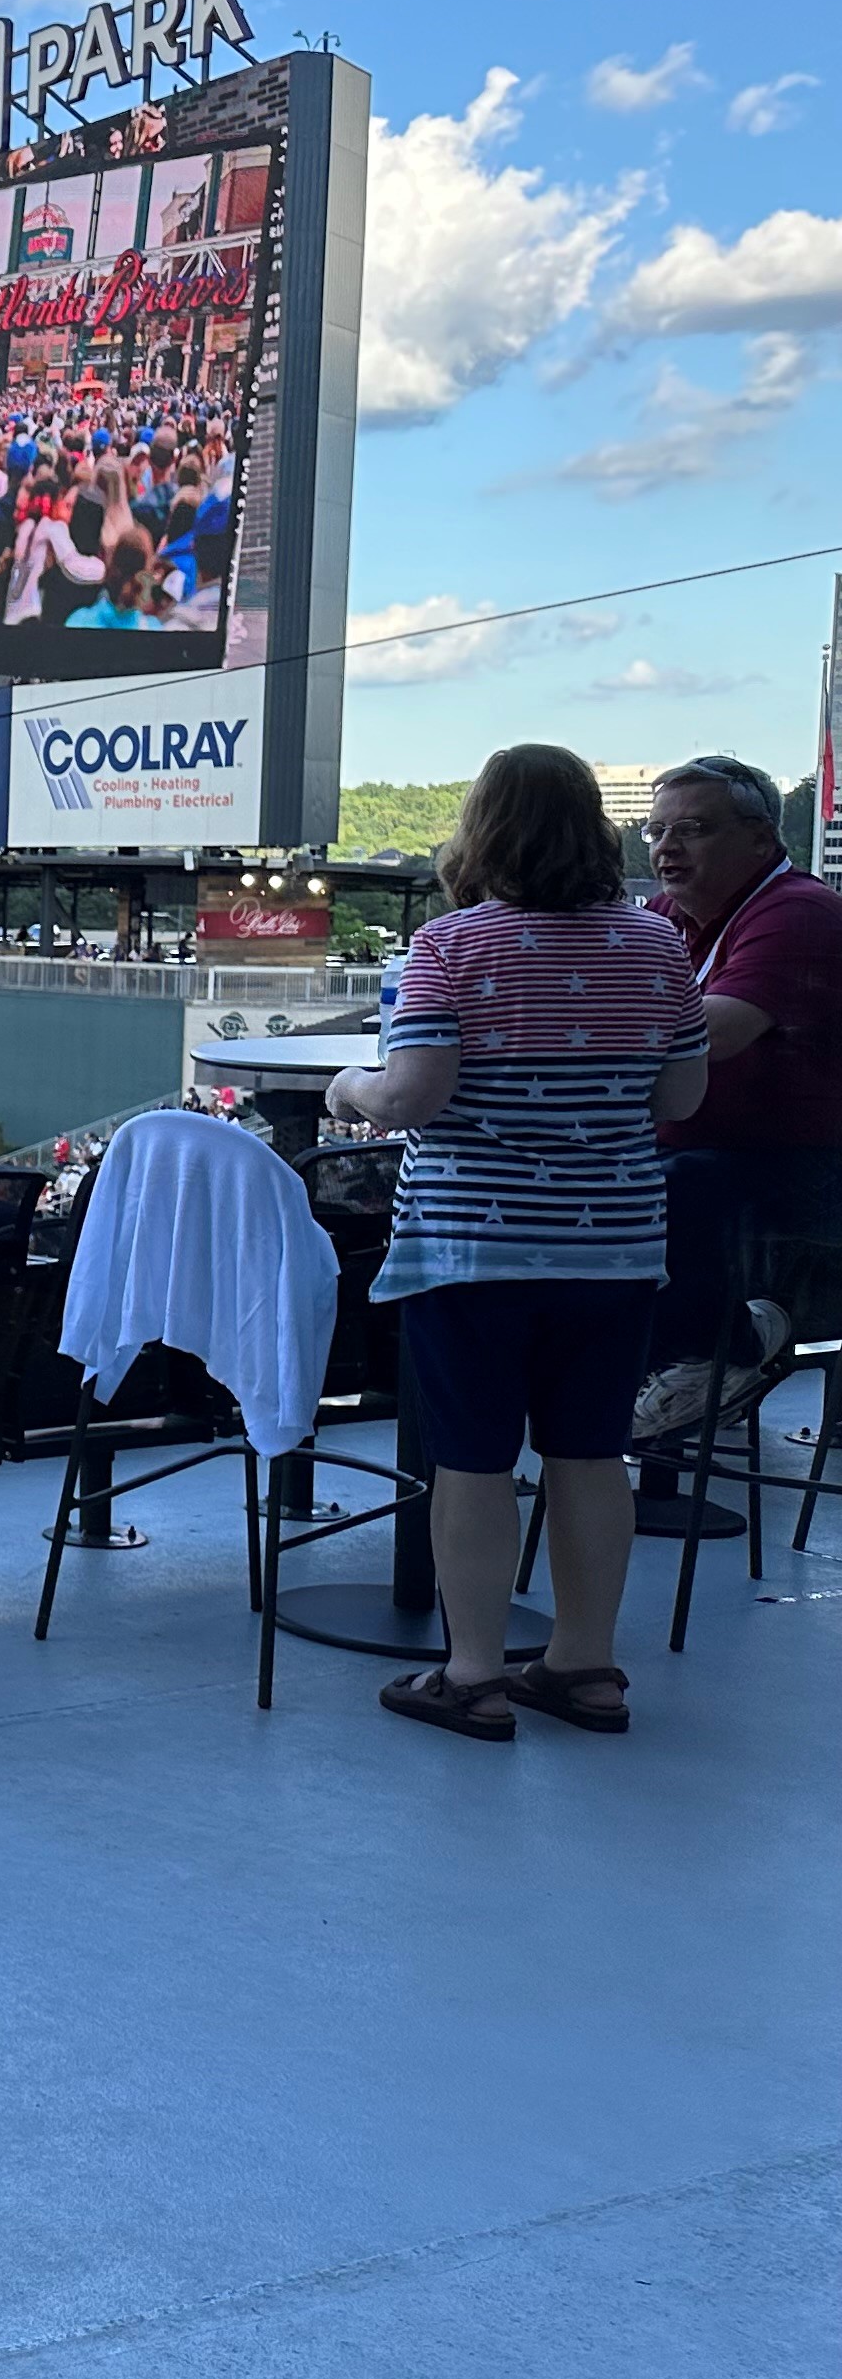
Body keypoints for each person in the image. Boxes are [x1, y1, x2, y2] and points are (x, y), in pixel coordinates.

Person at [330, 744, 705, 1742]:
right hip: (616, 1248)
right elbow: (681, 1095)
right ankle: (584, 1669)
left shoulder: (450, 946)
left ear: (481, 831)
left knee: (475, 1461)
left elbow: (413, 1096)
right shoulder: (659, 946)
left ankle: (474, 1677)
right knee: (592, 1453)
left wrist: (349, 1089)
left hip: (473, 1249)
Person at [632, 752, 842, 1441]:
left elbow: (713, 1034)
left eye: (692, 829)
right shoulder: (666, 914)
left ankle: (721, 1355)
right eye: (657, 831)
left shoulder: (800, 912)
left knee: (665, 1185)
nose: (667, 847)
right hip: (707, 1150)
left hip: (804, 1164)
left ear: (759, 837)